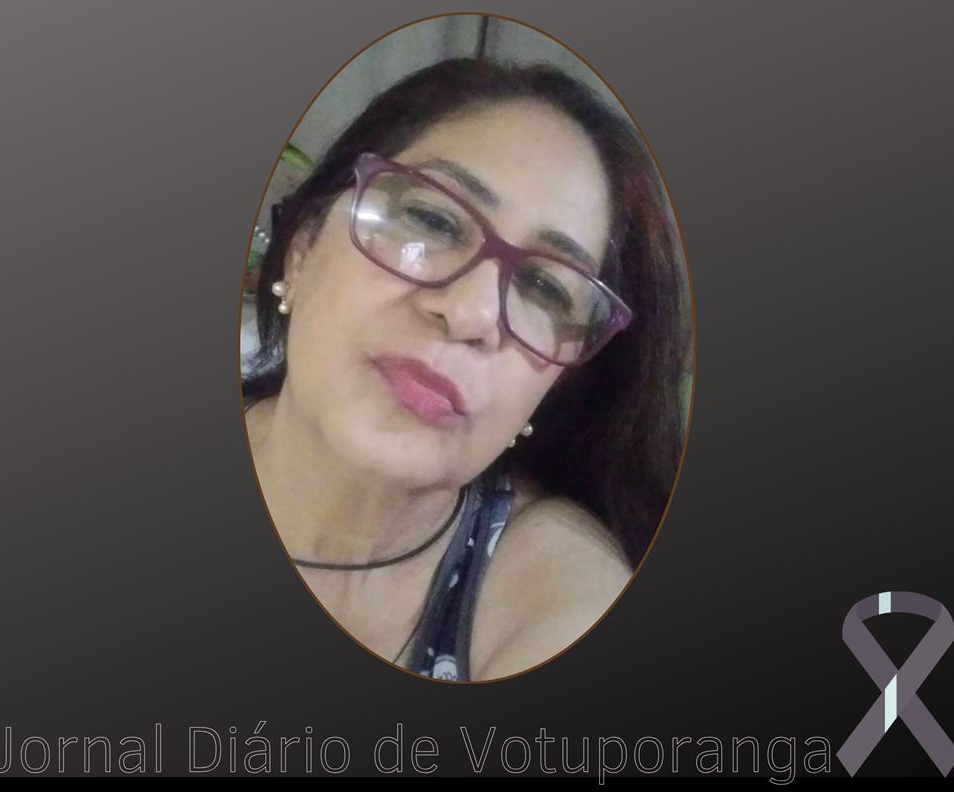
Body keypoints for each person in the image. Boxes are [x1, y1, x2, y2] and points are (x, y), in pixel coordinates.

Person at [242, 58, 690, 681]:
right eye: (433, 220)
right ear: (303, 246)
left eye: (544, 287)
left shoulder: (556, 596)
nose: (471, 313)